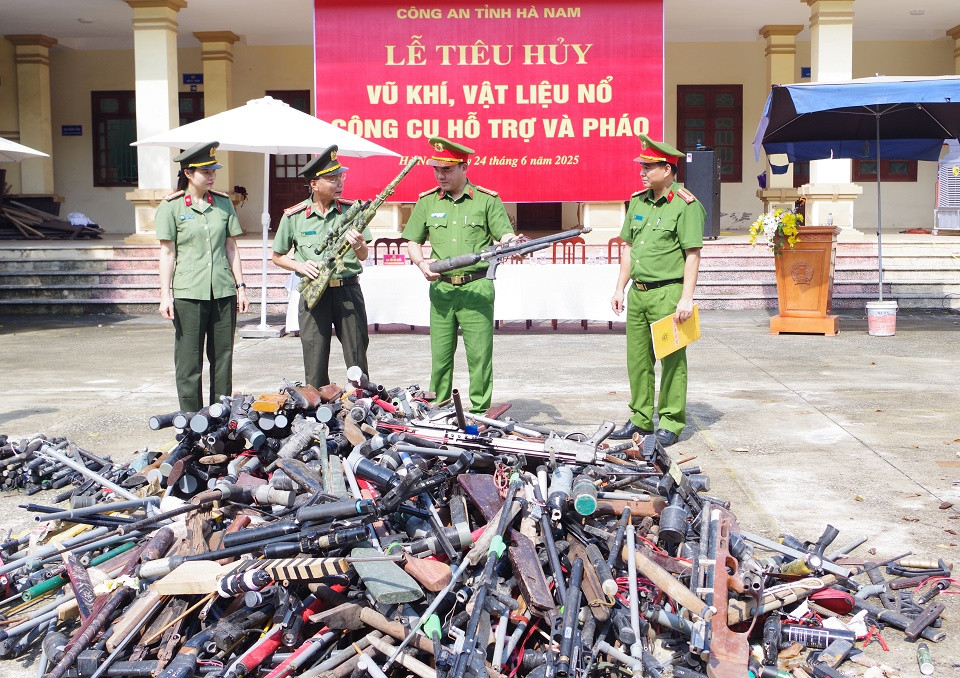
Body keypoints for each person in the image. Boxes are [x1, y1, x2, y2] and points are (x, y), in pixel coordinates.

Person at [403, 136, 518, 414]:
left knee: (479, 357)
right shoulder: (428, 202)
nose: (440, 175)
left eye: (447, 169)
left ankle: (480, 414)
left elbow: (504, 234)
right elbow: (412, 241)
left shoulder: (486, 201)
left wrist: (510, 242)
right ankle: (439, 411)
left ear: (464, 168)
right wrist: (421, 265)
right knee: (440, 358)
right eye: (436, 169)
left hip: (476, 288)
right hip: (442, 290)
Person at [609, 133, 704, 446]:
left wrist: (686, 297)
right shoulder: (638, 202)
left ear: (667, 169)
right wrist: (620, 288)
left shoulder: (686, 205)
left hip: (668, 294)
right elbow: (629, 248)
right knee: (637, 360)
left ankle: (671, 421)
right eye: (642, 166)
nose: (642, 171)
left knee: (672, 360)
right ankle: (640, 417)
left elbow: (692, 255)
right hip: (638, 293)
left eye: (649, 166)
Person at [156, 141, 248, 412]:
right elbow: (167, 254)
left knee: (222, 358)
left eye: (213, 171)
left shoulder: (222, 204)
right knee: (189, 361)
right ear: (188, 173)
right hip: (188, 293)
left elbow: (231, 247)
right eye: (204, 172)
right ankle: (190, 419)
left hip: (222, 290)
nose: (211, 176)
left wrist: (241, 287)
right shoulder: (171, 207)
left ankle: (220, 416)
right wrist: (165, 295)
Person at [272, 145, 371, 388]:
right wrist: (299, 266)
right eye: (331, 179)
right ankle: (318, 413)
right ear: (314, 184)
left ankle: (361, 407)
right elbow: (277, 256)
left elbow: (363, 255)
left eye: (340, 177)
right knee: (315, 357)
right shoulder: (294, 216)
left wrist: (358, 243)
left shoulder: (351, 211)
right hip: (314, 293)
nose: (339, 183)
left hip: (347, 290)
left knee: (357, 355)